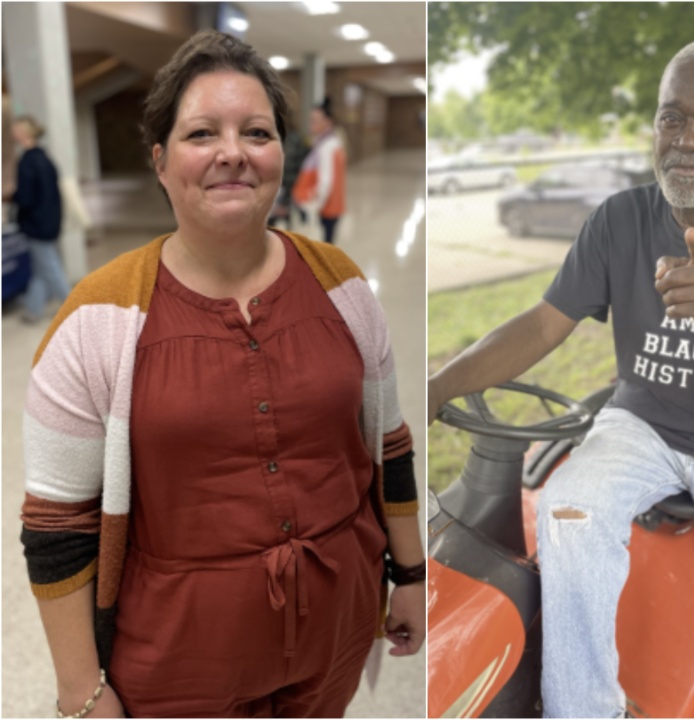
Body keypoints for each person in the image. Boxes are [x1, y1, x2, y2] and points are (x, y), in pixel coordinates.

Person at [20, 31, 425, 718]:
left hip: (336, 634)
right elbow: (58, 526)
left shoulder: (342, 287)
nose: (232, 152)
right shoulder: (97, 320)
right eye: (202, 132)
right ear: (160, 159)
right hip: (178, 663)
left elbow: (388, 446)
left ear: (279, 154)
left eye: (257, 132)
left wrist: (409, 574)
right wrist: (82, 691)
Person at [429, 37, 694, 717]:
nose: (686, 140)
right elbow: (540, 325)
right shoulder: (620, 219)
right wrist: (439, 383)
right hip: (640, 426)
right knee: (568, 512)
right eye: (672, 117)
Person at [7, 115, 72, 324]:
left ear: (22, 133)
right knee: (41, 268)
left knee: (50, 268)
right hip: (50, 221)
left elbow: (25, 198)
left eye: (14, 130)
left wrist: (10, 196)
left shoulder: (27, 161)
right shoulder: (45, 158)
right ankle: (34, 311)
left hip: (36, 224)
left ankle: (73, 310)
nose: (11, 134)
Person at [292, 97, 346, 244]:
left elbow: (326, 182)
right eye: (311, 120)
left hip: (325, 208)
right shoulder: (331, 142)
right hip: (330, 207)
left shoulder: (327, 147)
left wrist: (313, 209)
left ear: (328, 122)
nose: (311, 124)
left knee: (323, 248)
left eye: (315, 121)